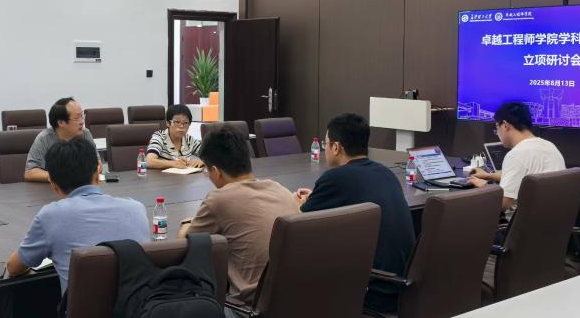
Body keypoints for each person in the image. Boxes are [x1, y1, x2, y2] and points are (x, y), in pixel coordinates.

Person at [293, 114, 414, 314]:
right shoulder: (386, 174)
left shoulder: (335, 178)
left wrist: (297, 204)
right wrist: (317, 197)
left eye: (325, 144)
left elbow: (299, 223)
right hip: (403, 288)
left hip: (374, 292)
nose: (324, 150)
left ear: (336, 147)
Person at [177, 125, 298, 309]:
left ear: (216, 171)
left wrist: (187, 223)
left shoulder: (219, 199)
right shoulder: (280, 190)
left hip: (249, 307)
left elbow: (185, 243)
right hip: (294, 300)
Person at [8, 136, 149, 292]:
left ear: (53, 184)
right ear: (98, 173)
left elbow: (13, 268)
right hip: (140, 304)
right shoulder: (136, 208)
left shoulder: (50, 216)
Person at [468, 101, 566, 212]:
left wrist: (484, 186)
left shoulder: (516, 155)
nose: (497, 133)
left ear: (505, 125)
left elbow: (502, 204)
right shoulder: (550, 146)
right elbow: (527, 178)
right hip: (553, 217)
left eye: (497, 128)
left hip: (528, 220)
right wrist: (489, 176)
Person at [25, 97, 102, 183]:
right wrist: (62, 177)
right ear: (61, 122)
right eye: (77, 118)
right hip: (52, 188)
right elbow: (30, 172)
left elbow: (97, 163)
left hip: (81, 186)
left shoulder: (85, 134)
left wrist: (95, 169)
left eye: (82, 116)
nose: (82, 122)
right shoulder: (44, 138)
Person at [145, 104, 205, 169]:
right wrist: (173, 163)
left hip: (185, 175)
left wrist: (202, 161)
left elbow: (211, 154)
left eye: (185, 123)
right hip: (162, 175)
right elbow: (149, 161)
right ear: (168, 123)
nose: (181, 126)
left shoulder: (188, 139)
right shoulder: (159, 137)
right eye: (177, 122)